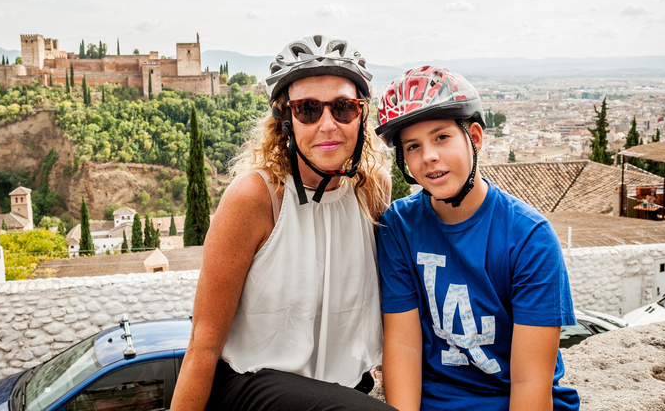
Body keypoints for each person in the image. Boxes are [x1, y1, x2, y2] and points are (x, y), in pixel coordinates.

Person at [171, 34, 394, 411]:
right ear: (286, 119)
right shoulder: (256, 198)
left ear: (362, 115)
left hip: (341, 392)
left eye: (343, 108)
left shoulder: (372, 190)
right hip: (253, 389)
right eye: (308, 109)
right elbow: (204, 344)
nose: (328, 125)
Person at [374, 66, 580, 411]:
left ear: (475, 137)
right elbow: (404, 347)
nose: (429, 157)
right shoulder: (399, 227)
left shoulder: (529, 238)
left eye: (441, 137)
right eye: (413, 146)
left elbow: (530, 382)